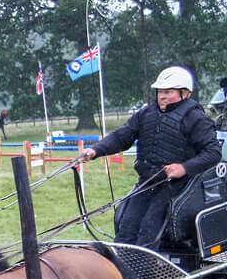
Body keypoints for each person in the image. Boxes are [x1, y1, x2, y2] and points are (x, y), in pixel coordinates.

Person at [79, 65, 221, 248]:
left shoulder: (196, 118)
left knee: (148, 232)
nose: (161, 96)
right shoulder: (146, 113)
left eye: (168, 92)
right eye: (159, 91)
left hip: (177, 188)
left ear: (184, 94)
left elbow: (213, 153)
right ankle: (121, 273)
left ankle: (145, 274)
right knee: (126, 228)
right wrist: (96, 150)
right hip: (147, 182)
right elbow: (123, 135)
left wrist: (183, 168)